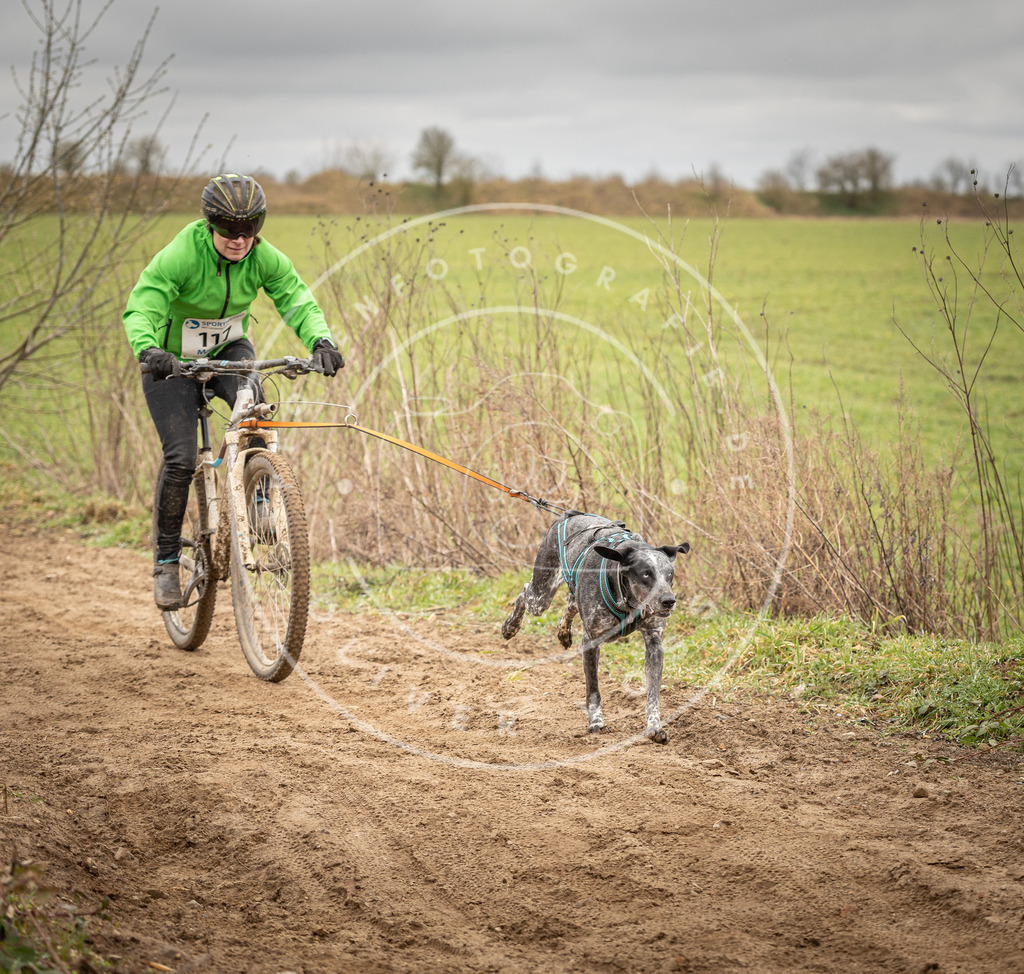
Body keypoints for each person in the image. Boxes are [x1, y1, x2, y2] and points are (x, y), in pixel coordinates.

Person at [123, 173, 345, 611]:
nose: (240, 239)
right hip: (170, 361)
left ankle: (260, 499)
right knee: (182, 458)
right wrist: (148, 349)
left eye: (250, 229)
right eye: (229, 229)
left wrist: (321, 340)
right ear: (210, 225)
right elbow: (143, 304)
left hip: (228, 350)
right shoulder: (182, 255)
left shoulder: (264, 257)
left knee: (255, 408)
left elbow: (295, 299)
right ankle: (167, 561)